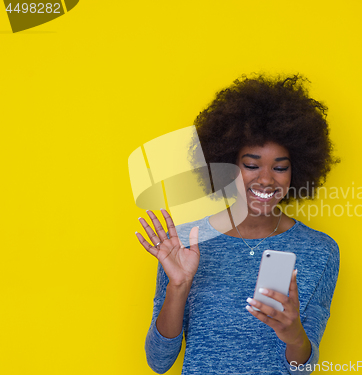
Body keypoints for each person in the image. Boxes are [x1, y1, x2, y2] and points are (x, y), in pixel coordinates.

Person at [136, 73, 341, 374]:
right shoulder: (185, 242)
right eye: (251, 165)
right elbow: (159, 361)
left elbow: (301, 368)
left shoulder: (320, 251)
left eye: (280, 167)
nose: (267, 179)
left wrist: (293, 333)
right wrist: (178, 286)